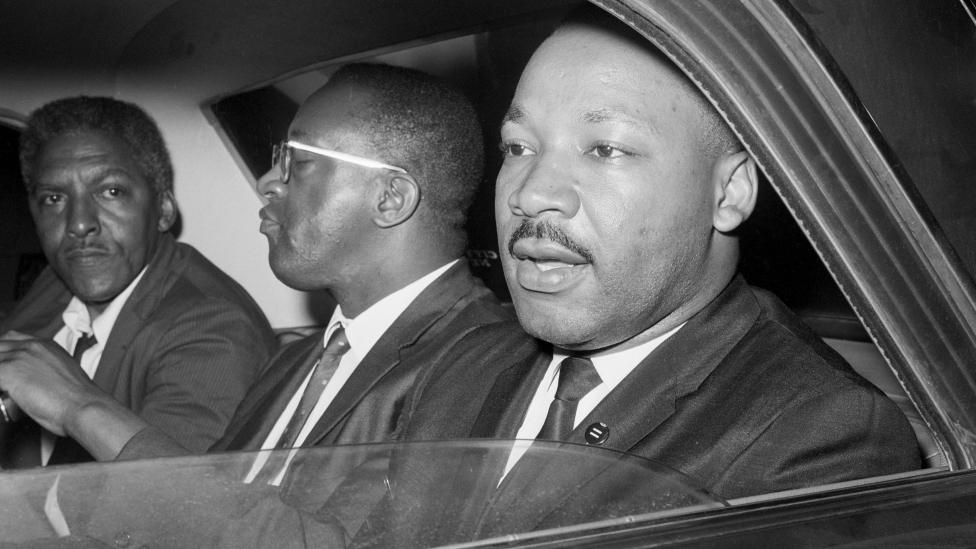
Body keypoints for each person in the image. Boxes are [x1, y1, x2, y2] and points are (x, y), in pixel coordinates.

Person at [365, 7, 921, 545]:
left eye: (605, 149)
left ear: (727, 193)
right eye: (518, 146)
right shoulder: (465, 362)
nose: (530, 193)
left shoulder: (821, 435)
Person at [0, 64, 510, 471]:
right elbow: (214, 494)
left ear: (391, 197)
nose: (268, 182)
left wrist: (77, 406)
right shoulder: (298, 362)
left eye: (298, 160)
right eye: (275, 158)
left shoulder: (485, 366)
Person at [0, 96, 275, 468]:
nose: (79, 224)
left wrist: (75, 403)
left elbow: (175, 505)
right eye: (53, 198)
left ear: (162, 210)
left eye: (111, 191)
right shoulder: (62, 279)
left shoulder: (213, 329)